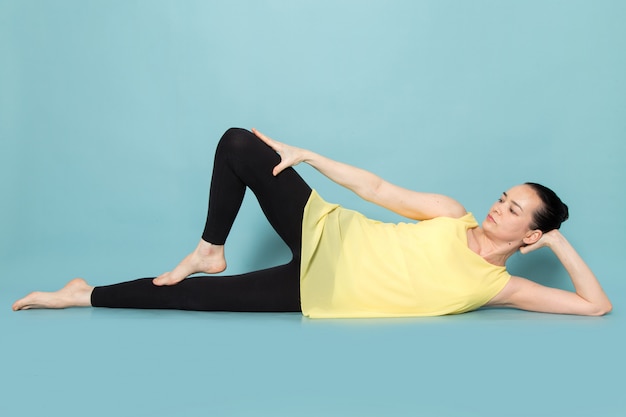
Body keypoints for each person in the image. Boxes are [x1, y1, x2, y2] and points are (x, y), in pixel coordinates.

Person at [12, 128, 612, 317]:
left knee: (190, 299)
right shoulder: (451, 215)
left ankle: (82, 294)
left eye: (513, 210)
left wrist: (557, 240)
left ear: (530, 234)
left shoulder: (499, 288)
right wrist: (311, 158)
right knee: (241, 143)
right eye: (503, 195)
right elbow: (378, 190)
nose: (497, 206)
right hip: (327, 231)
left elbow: (596, 307)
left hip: (314, 291)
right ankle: (209, 246)